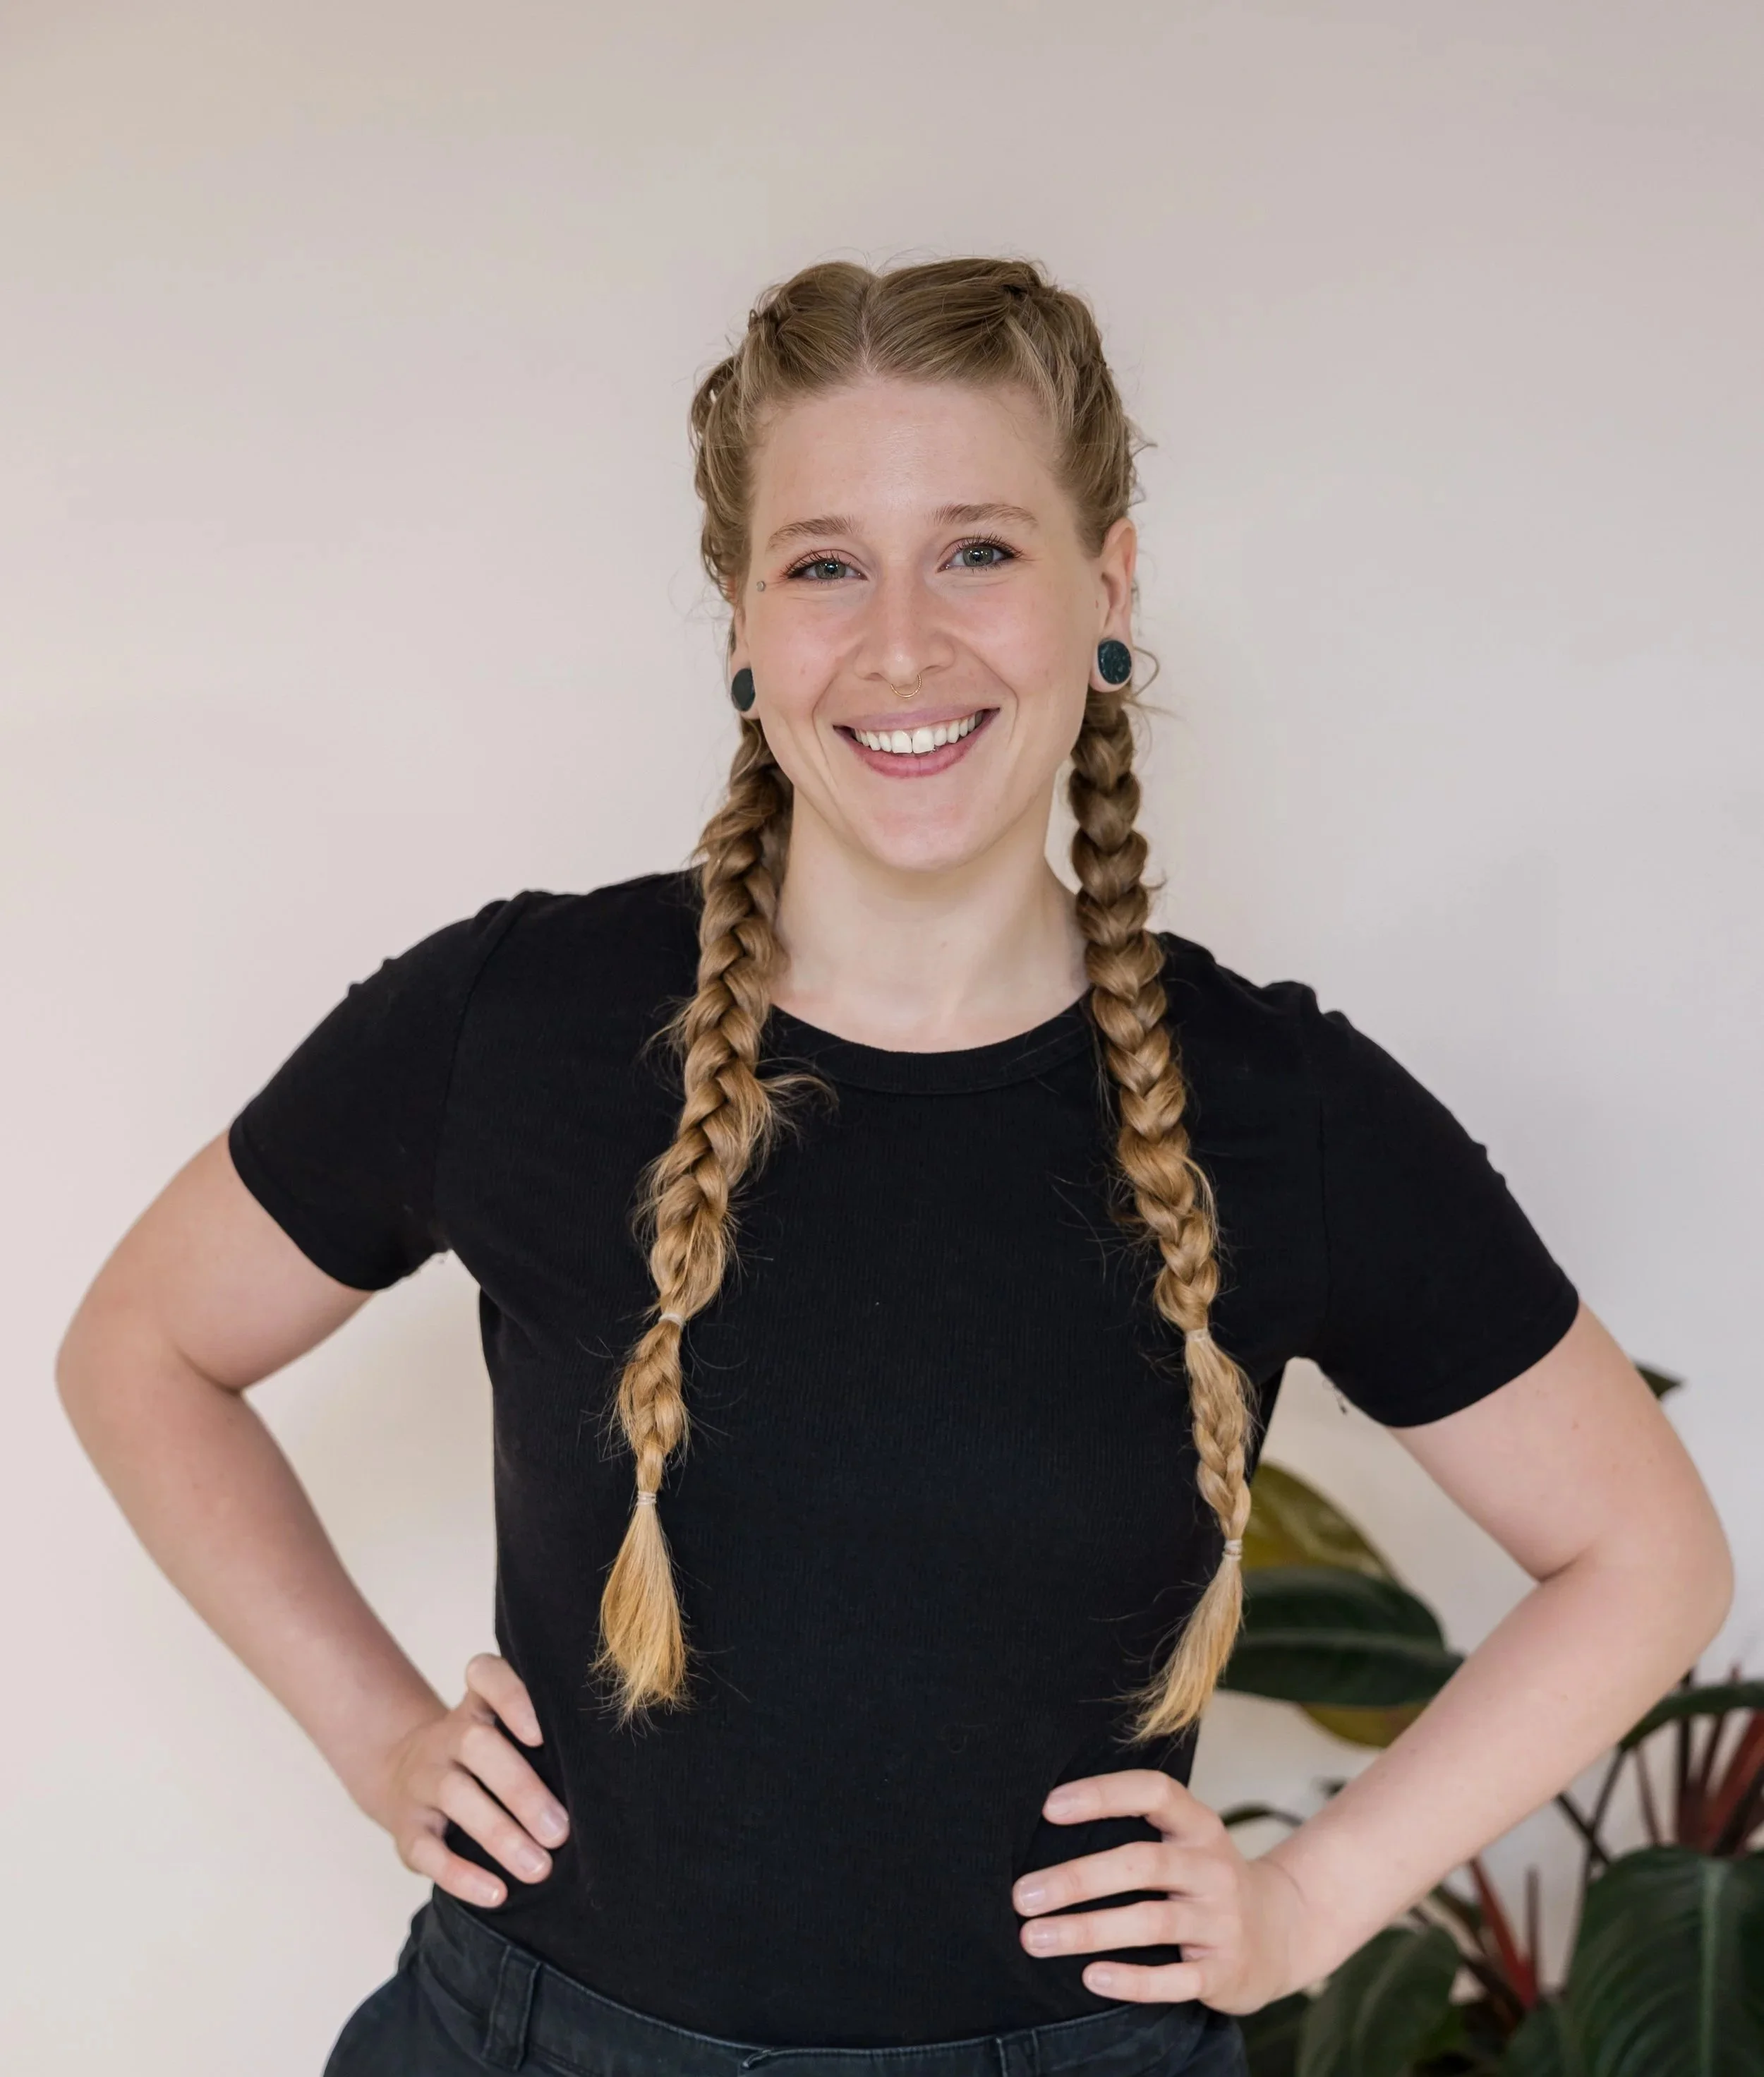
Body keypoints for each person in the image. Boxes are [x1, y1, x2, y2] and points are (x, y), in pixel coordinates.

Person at [56, 257, 1732, 2077]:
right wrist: (376, 1733)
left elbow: (1646, 1556)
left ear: (1113, 588)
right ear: (741, 620)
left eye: (982, 550)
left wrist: (1312, 1904)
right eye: (827, 561)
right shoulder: (516, 1014)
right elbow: (143, 1348)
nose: (905, 644)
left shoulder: (1283, 1106)